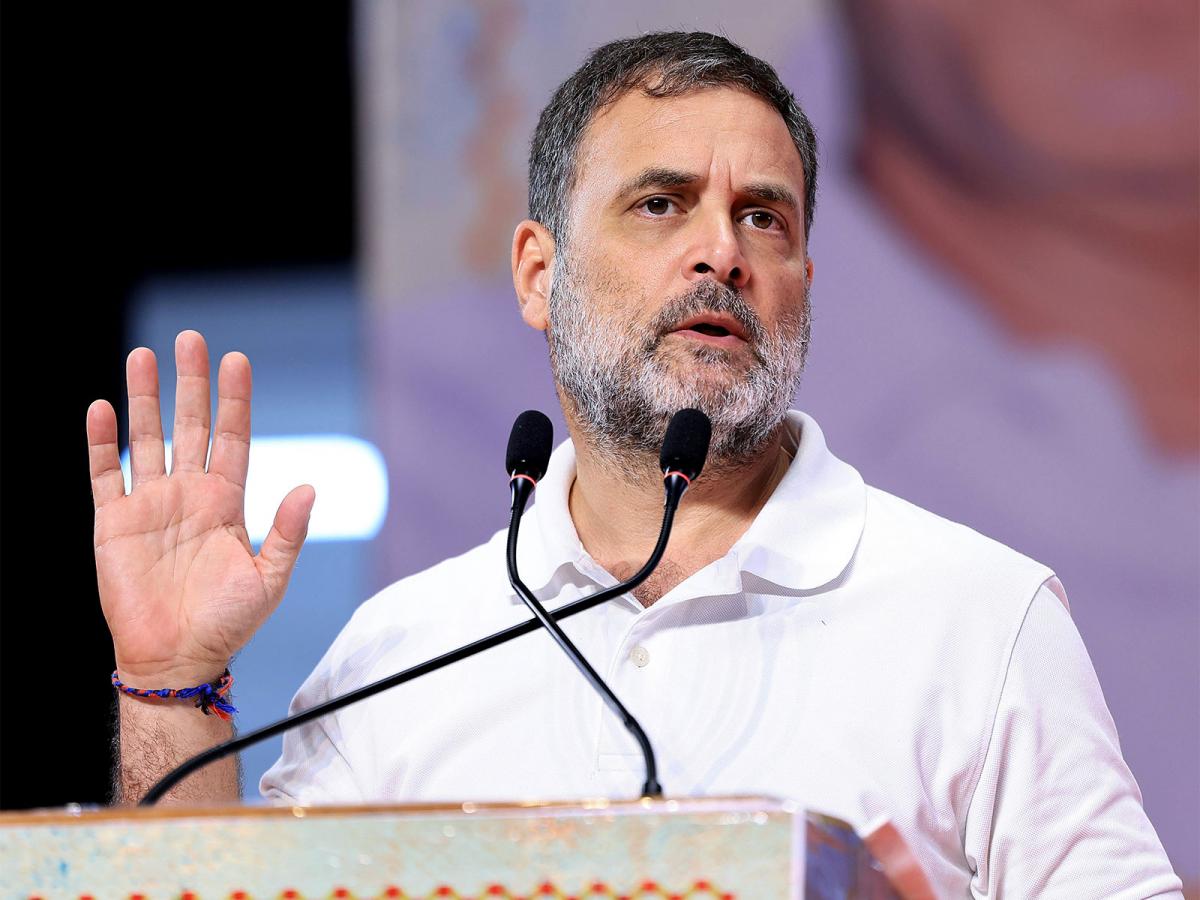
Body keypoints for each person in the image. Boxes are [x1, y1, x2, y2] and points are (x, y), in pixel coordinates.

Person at [88, 32, 1181, 897]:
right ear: (538, 275)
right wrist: (170, 679)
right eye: (661, 204)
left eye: (764, 218)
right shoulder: (400, 653)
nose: (723, 252)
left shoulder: (982, 617)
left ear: (805, 282)